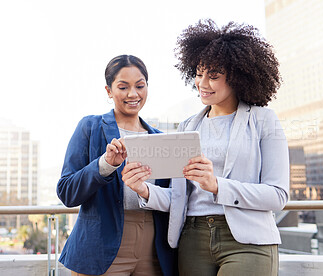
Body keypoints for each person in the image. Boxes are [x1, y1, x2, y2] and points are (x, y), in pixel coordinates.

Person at [122, 19, 289, 276]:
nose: (202, 83)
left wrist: (217, 185)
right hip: (193, 239)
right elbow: (179, 198)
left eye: (213, 76)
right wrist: (143, 190)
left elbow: (277, 195)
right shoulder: (189, 126)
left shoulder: (264, 120)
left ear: (238, 77)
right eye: (199, 74)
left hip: (248, 242)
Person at [57, 55, 177, 276]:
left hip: (153, 248)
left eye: (140, 86)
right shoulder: (90, 127)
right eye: (123, 87)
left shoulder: (160, 139)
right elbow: (67, 192)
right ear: (109, 91)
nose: (133, 94)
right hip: (100, 246)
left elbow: (175, 198)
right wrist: (105, 165)